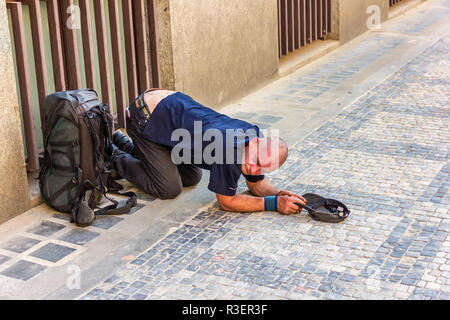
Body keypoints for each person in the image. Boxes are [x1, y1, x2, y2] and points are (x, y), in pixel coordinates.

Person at [112, 89, 306, 215]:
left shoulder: (254, 141)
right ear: (255, 143)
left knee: (191, 177)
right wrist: (273, 204)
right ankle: (113, 155)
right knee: (169, 189)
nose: (253, 169)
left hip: (170, 113)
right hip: (144, 114)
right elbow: (227, 202)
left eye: (262, 167)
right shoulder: (229, 150)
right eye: (256, 162)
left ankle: (127, 145)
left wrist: (280, 194)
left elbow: (256, 184)